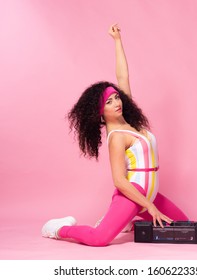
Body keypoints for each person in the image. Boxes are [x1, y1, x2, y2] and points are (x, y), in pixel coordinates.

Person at [41, 24, 188, 246]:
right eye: (109, 102)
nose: (117, 103)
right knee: (99, 239)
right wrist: (148, 206)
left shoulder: (130, 119)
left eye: (116, 97)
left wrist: (117, 41)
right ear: (100, 112)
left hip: (150, 193)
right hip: (133, 195)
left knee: (185, 227)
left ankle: (127, 220)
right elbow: (119, 180)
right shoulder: (116, 135)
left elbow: (123, 76)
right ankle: (58, 228)